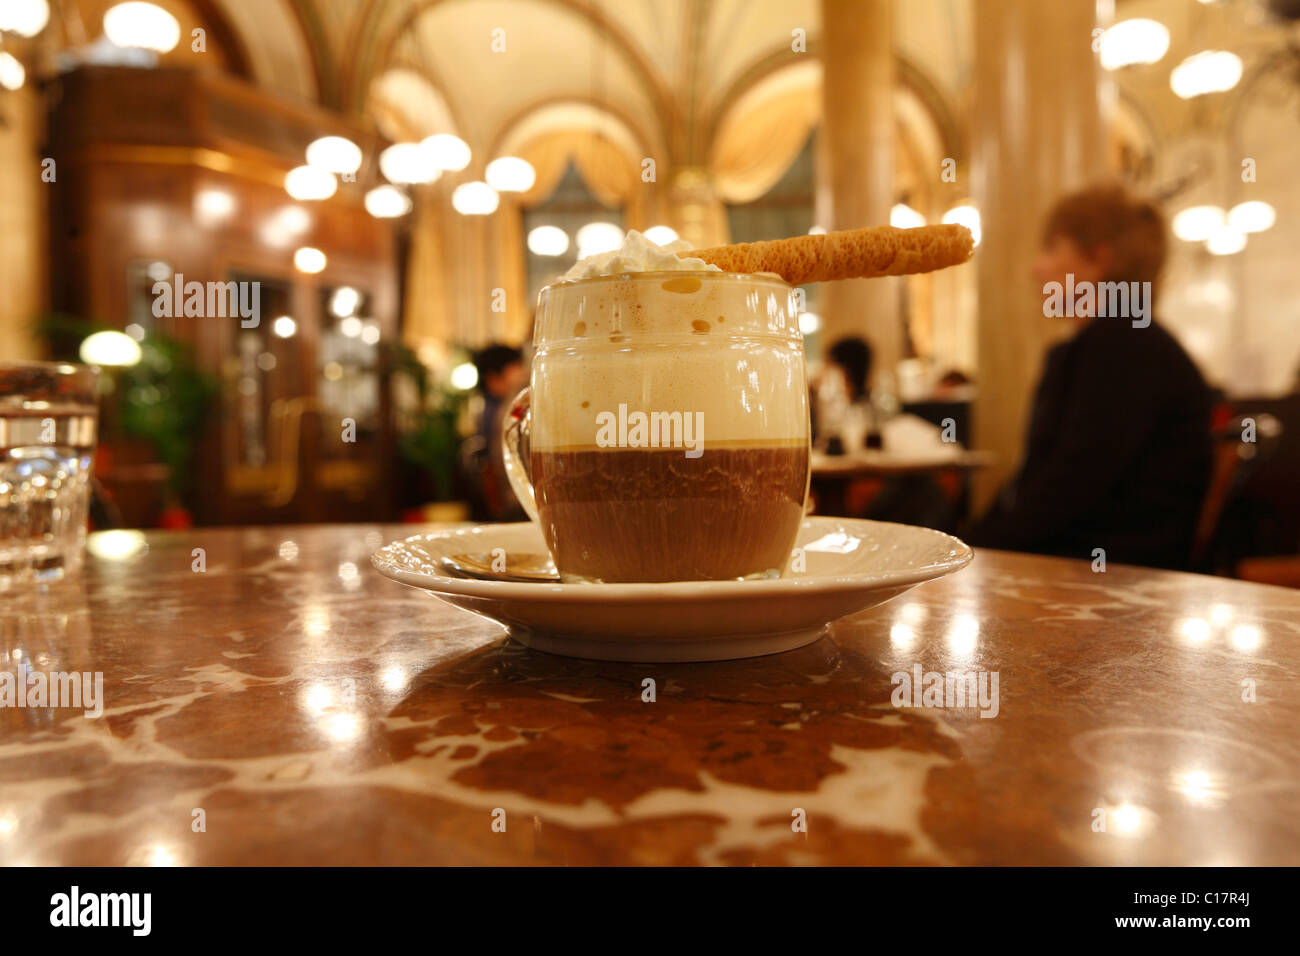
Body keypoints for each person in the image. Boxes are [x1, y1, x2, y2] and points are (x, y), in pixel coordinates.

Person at [970, 184, 1213, 570]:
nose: (1037, 269)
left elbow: (1065, 492)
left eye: (1051, 249)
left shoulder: (1124, 348)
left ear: (1099, 259)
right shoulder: (1125, 339)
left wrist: (969, 552)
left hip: (1110, 579)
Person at [469, 344, 527, 520]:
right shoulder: (504, 411)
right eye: (517, 368)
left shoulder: (487, 408)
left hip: (508, 501)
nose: (524, 373)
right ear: (493, 378)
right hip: (515, 501)